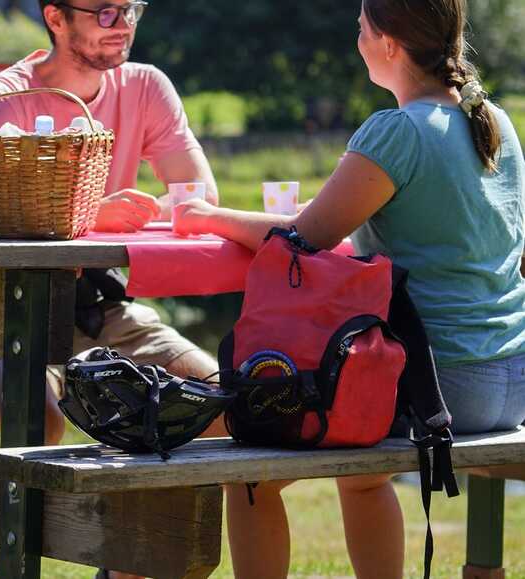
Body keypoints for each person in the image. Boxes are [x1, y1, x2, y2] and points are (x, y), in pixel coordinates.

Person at [173, 0, 525, 577]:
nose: (355, 38)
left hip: (442, 387)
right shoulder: (494, 122)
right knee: (362, 478)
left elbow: (302, 237)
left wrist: (208, 217)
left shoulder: (397, 132)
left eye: (362, 28)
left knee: (251, 473)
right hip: (510, 381)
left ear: (389, 45)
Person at [0, 0, 226, 487]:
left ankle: (126, 562)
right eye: (105, 13)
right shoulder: (1, 100)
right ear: (56, 18)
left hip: (102, 309)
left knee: (215, 403)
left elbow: (199, 195)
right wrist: (90, 212)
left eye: (130, 11)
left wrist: (127, 212)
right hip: (11, 315)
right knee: (38, 422)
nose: (122, 26)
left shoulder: (146, 86)